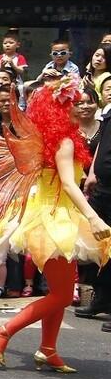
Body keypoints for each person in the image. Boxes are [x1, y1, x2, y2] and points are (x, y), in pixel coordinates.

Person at [0, 77, 111, 370]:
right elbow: (68, 184)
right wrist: (93, 217)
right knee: (63, 294)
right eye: (73, 102)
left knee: (58, 290)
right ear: (60, 108)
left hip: (48, 218)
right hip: (57, 222)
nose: (80, 106)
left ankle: (48, 349)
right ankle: (4, 331)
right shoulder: (64, 141)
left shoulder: (46, 139)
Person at [75, 88, 111, 327]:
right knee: (101, 245)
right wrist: (94, 171)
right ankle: (103, 299)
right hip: (104, 187)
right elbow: (104, 139)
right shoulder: (109, 112)